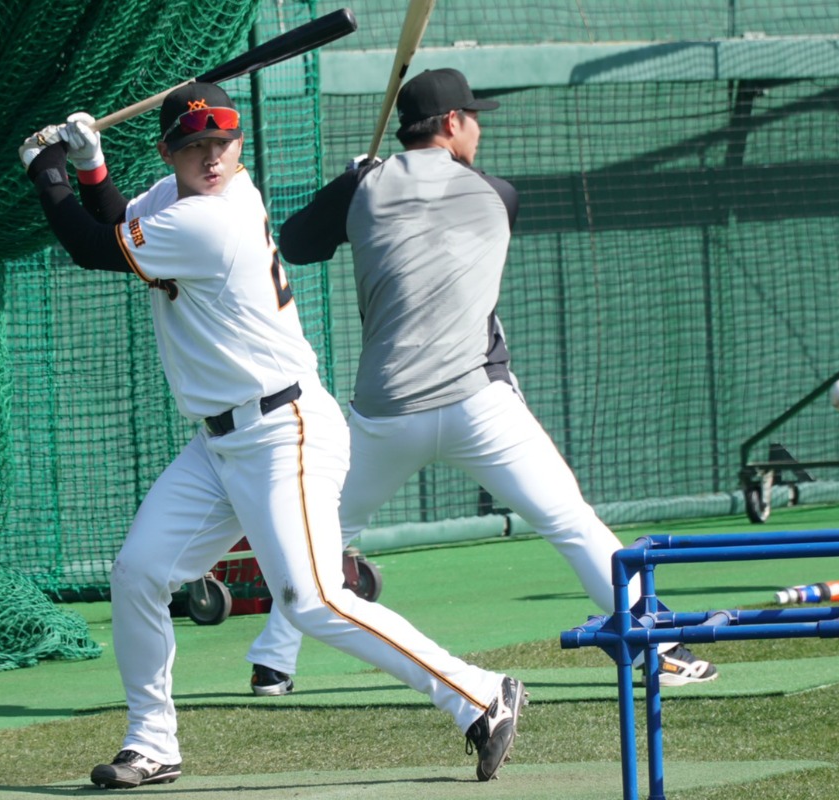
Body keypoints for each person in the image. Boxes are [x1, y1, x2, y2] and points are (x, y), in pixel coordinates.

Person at [18, 81, 524, 789]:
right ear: (169, 153)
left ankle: (477, 694)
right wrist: (93, 167)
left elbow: (90, 246)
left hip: (283, 430)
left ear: (239, 144)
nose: (211, 156)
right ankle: (152, 741)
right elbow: (117, 221)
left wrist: (45, 170)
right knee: (140, 572)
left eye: (221, 140)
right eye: (194, 145)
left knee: (313, 601)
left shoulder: (215, 218)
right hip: (222, 441)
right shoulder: (175, 200)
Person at [243, 68, 719, 697]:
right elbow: (447, 202)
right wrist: (371, 180)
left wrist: (354, 181)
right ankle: (659, 649)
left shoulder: (365, 187)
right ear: (448, 124)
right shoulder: (499, 193)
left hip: (385, 413)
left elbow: (299, 244)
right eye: (472, 115)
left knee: (326, 531)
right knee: (572, 522)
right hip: (477, 403)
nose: (480, 126)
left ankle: (273, 661)